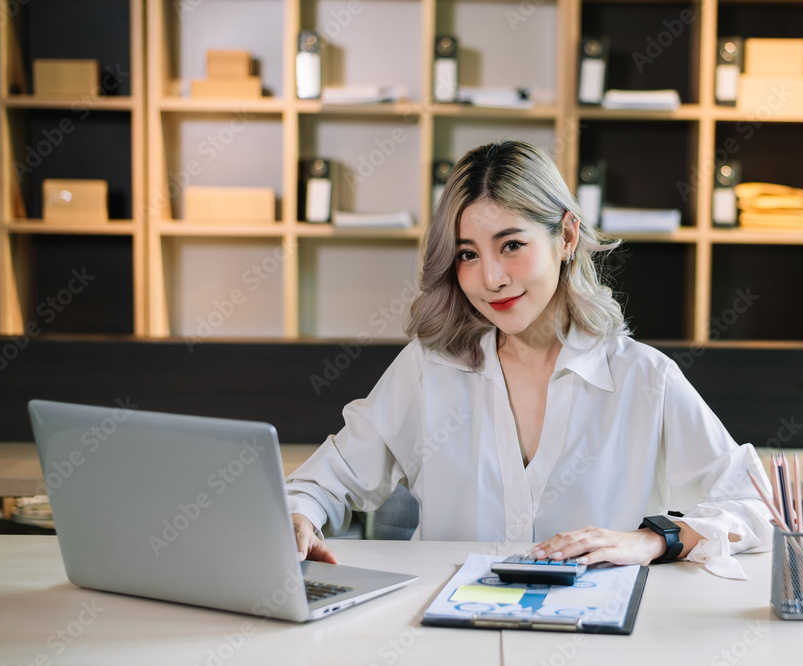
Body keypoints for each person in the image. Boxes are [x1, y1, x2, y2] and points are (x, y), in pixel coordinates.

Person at [286, 140, 773, 579]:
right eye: (467, 255)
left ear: (566, 237)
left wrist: (650, 539)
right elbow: (323, 480)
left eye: (512, 245)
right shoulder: (427, 367)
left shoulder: (644, 377)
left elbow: (755, 507)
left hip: (596, 640)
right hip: (444, 636)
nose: (491, 278)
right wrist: (300, 516)